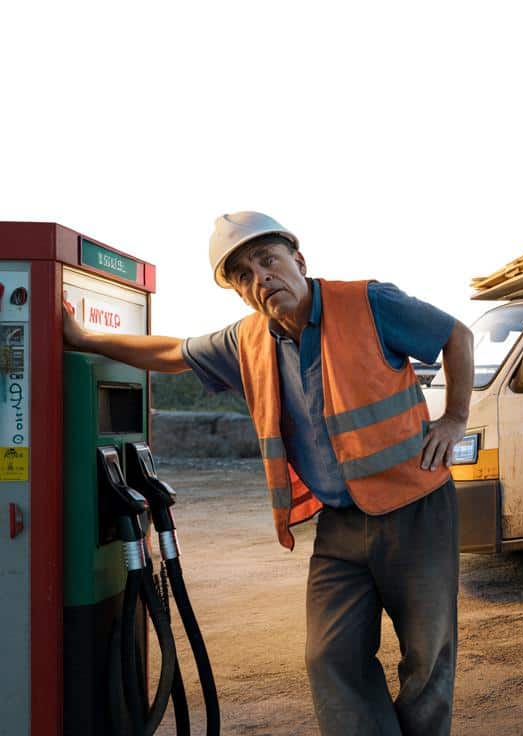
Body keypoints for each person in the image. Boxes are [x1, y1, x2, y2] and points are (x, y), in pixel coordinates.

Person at [63, 211, 473, 736]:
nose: (261, 277)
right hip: (340, 525)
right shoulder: (246, 342)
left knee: (427, 658)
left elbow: (455, 335)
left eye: (268, 260)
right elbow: (169, 353)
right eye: (243, 274)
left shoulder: (369, 303)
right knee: (330, 654)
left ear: (297, 261)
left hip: (418, 507)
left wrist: (455, 418)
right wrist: (83, 337)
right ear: (240, 292)